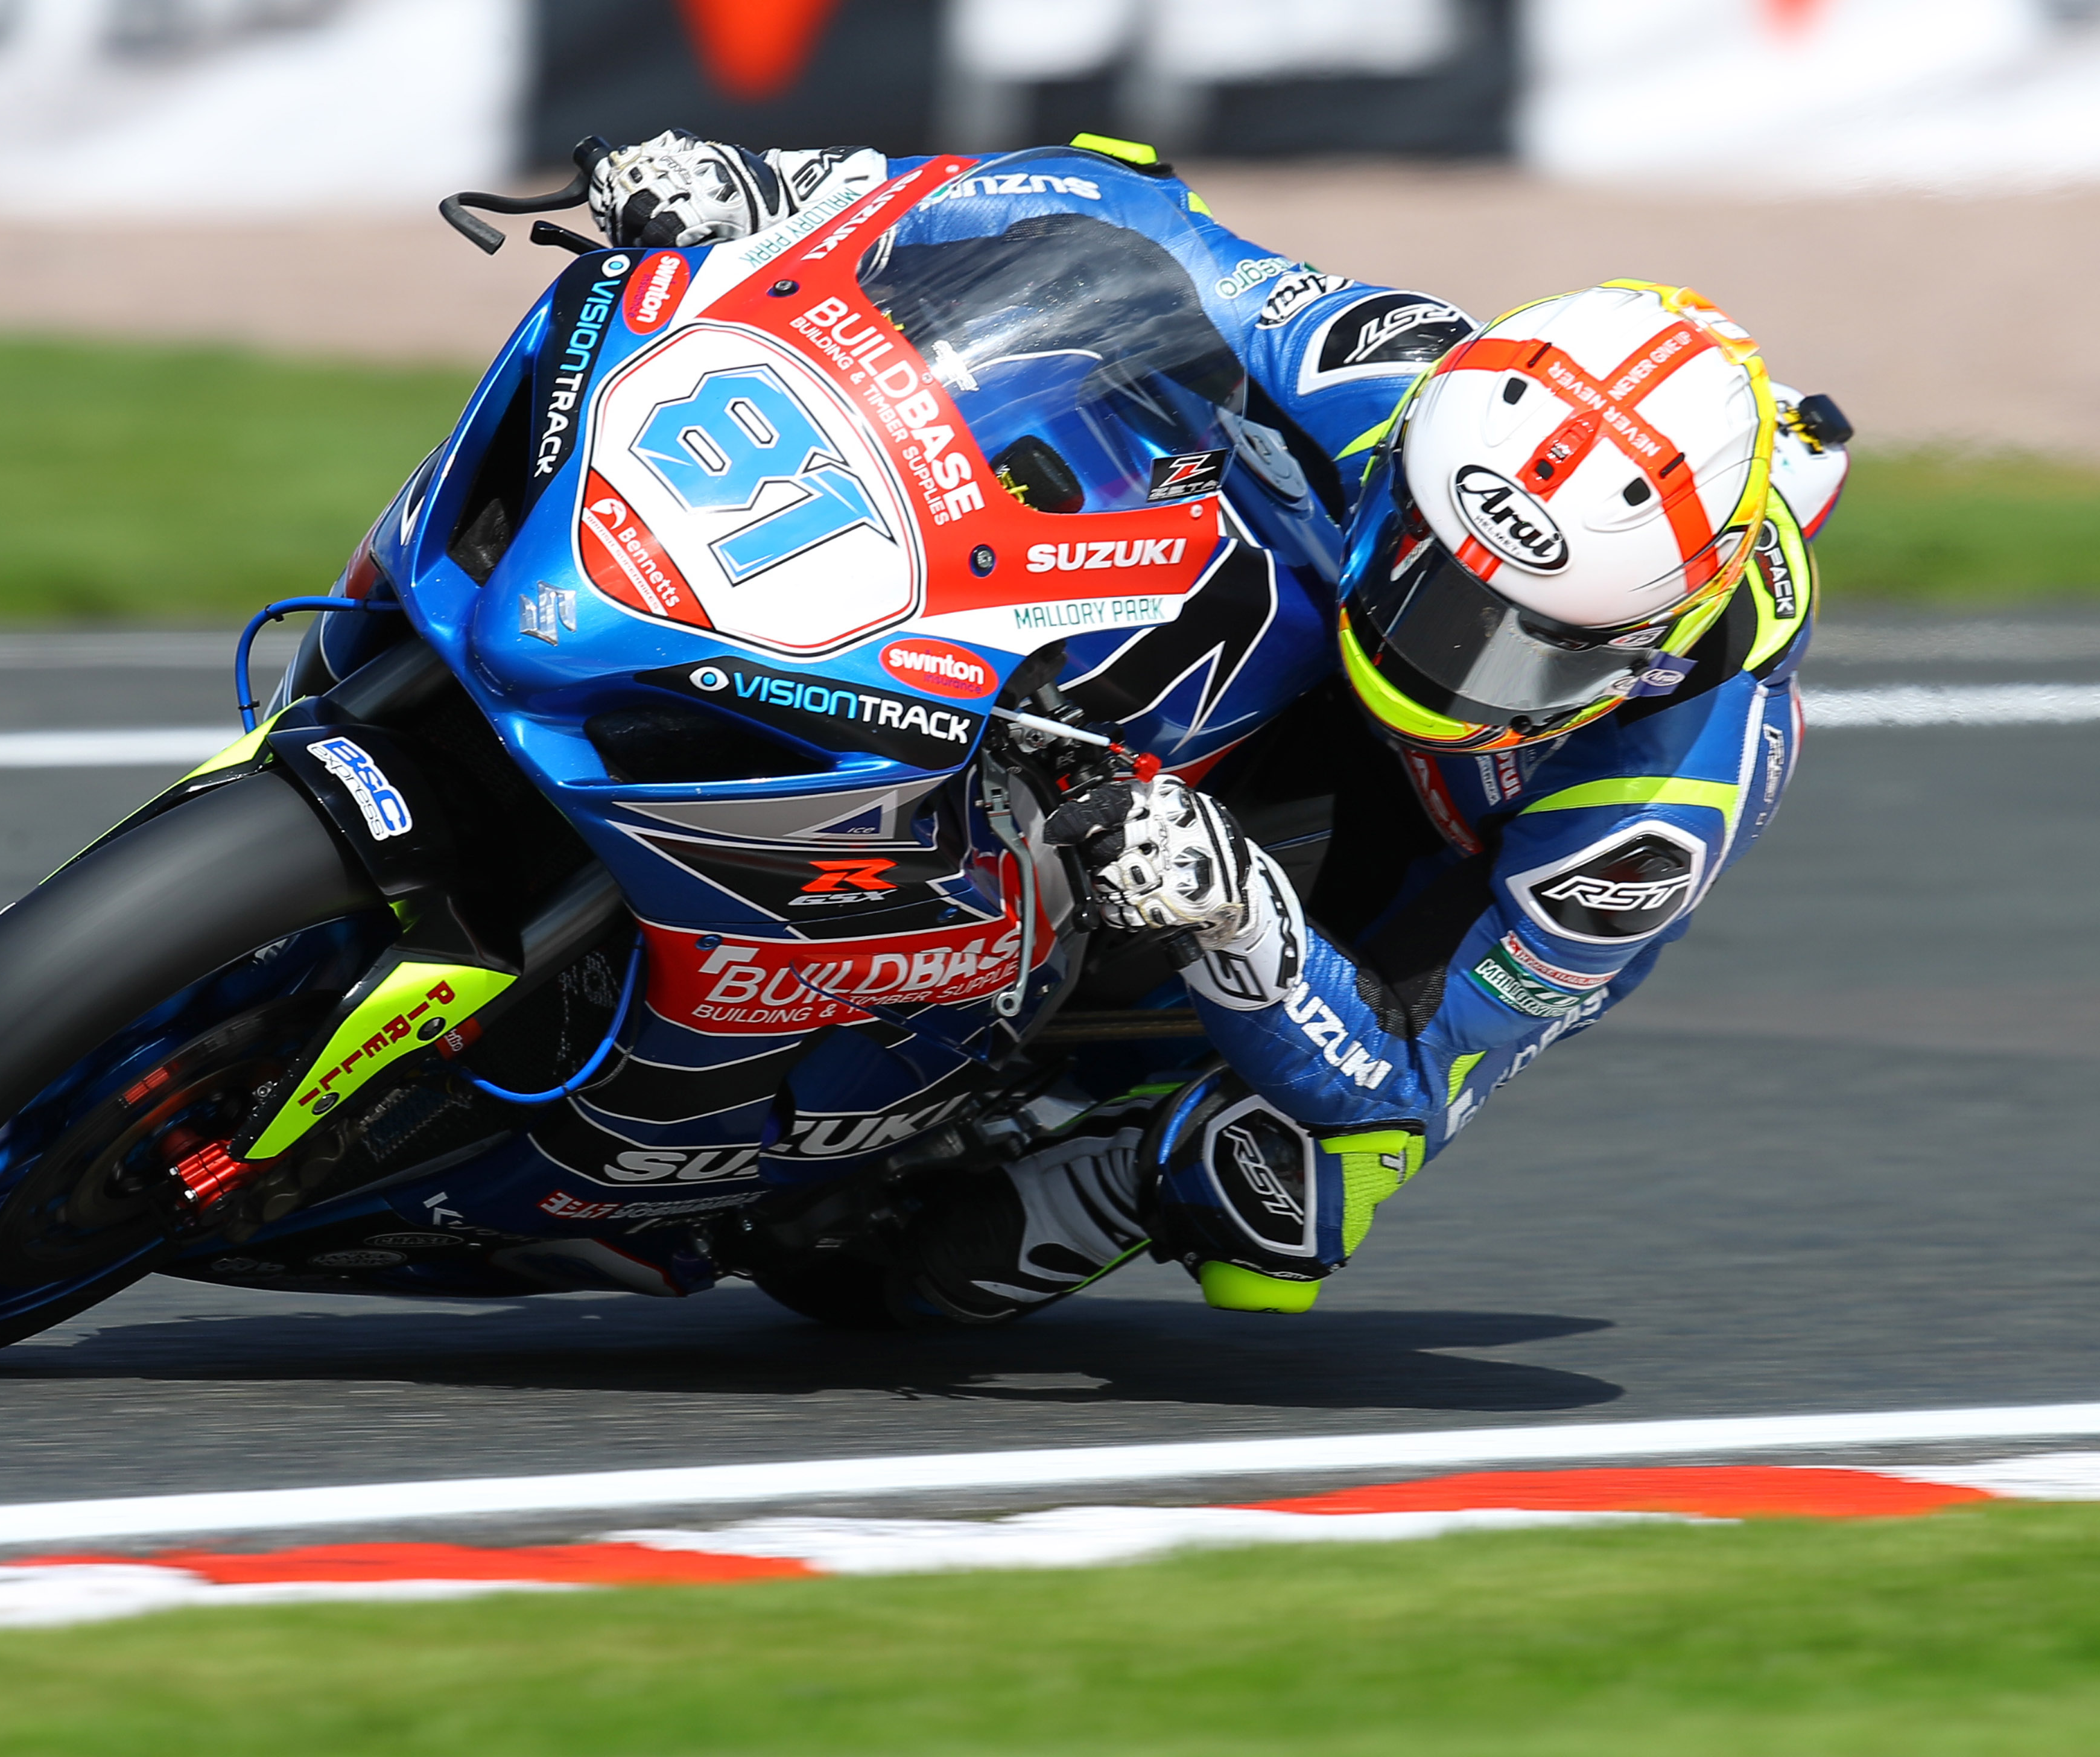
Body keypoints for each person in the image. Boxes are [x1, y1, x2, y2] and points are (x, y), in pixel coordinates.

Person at [585, 131, 1851, 1321]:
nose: (1448, 656)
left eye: (1521, 645)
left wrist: (1236, 913)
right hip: (1284, 639)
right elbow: (1119, 204)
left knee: (1288, 1193)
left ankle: (1114, 1170)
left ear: (1644, 645)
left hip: (1419, 869)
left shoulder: (1661, 798)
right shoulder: (1393, 376)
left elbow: (1417, 1070)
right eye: (1431, 578)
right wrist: (784, 187)